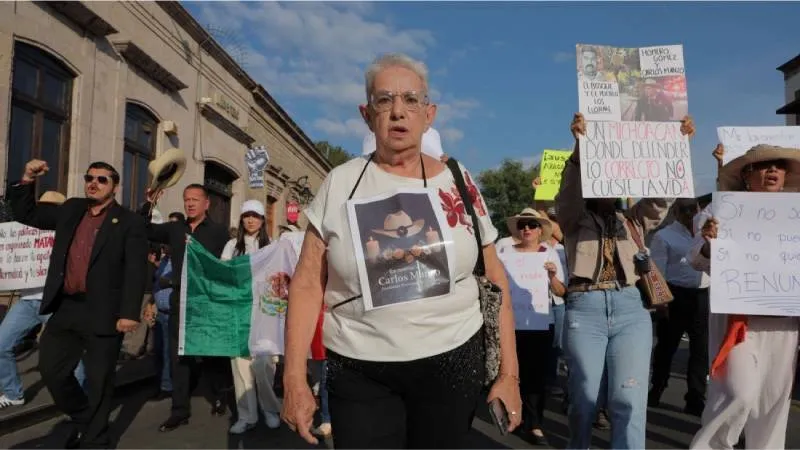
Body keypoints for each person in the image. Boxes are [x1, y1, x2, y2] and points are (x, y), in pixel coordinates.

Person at [281, 53, 521, 448]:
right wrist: (293, 378)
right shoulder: (340, 184)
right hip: (361, 370)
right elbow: (307, 284)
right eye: (384, 100)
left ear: (429, 114)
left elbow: (495, 280)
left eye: (411, 100)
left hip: (452, 359)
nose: (397, 112)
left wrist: (509, 375)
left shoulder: (457, 180)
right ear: (366, 113)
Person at [556, 113, 694, 449]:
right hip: (585, 307)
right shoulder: (575, 218)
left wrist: (678, 145)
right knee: (584, 402)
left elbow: (661, 199)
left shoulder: (633, 219)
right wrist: (578, 150)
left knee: (629, 400)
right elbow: (568, 194)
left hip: (631, 307)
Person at [7, 159, 148, 448]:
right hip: (67, 307)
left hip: (105, 312)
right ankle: (86, 418)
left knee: (98, 380)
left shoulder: (129, 221)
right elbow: (26, 213)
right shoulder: (71, 209)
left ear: (114, 186)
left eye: (102, 179)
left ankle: (96, 440)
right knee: (52, 370)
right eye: (89, 177)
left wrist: (129, 313)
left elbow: (136, 270)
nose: (93, 183)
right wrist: (26, 179)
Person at [688, 143, 800, 449]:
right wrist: (710, 242)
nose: (773, 170)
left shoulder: (797, 212)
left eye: (779, 165)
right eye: (765, 165)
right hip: (739, 321)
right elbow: (697, 258)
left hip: (784, 322)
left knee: (774, 402)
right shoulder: (721, 211)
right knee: (739, 392)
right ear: (747, 175)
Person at [139, 184, 231, 432]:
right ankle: (179, 411)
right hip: (180, 302)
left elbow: (227, 268)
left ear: (206, 203)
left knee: (212, 354)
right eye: (186, 199)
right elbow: (144, 229)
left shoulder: (219, 232)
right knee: (178, 358)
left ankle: (221, 392)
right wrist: (149, 203)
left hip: (207, 303)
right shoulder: (174, 229)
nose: (190, 204)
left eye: (195, 199)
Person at [0, 192, 87, 409]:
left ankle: (79, 397)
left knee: (71, 351)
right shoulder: (24, 231)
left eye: (51, 208)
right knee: (1, 344)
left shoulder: (71, 234)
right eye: (43, 207)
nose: (46, 212)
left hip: (56, 301)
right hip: (27, 299)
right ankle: (13, 393)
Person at [498, 208, 566, 446]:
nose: (527, 228)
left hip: (538, 322)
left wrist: (552, 277)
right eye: (523, 224)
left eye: (532, 225)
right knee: (511, 372)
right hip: (510, 323)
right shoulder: (504, 253)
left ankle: (534, 423)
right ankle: (510, 415)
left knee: (536, 376)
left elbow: (561, 292)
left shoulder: (549, 254)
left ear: (540, 230)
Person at [220, 200, 283, 434]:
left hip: (265, 313)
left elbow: (279, 277)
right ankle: (247, 415)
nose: (250, 220)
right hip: (239, 312)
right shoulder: (231, 246)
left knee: (265, 365)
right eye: (246, 215)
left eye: (255, 216)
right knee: (240, 365)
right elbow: (224, 275)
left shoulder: (272, 246)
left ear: (262, 220)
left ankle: (269, 408)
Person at [648, 198, 709, 416]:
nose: (691, 213)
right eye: (685, 210)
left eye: (694, 208)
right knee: (667, 347)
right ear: (675, 212)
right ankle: (657, 387)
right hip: (675, 295)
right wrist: (661, 301)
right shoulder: (664, 236)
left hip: (702, 296)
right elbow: (658, 270)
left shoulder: (707, 234)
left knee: (700, 350)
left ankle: (695, 397)